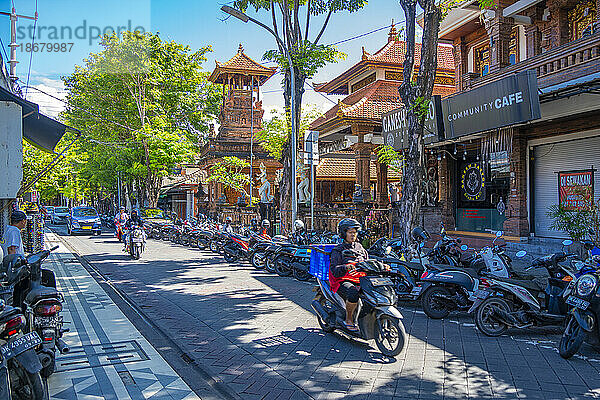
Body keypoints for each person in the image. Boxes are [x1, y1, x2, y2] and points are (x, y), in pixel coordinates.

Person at [329, 218, 368, 332]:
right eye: (350, 232)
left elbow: (367, 260)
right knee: (353, 292)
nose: (353, 235)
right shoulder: (338, 250)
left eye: (354, 232)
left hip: (359, 277)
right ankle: (349, 319)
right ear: (343, 233)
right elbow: (334, 270)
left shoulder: (359, 247)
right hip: (343, 280)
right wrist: (346, 267)